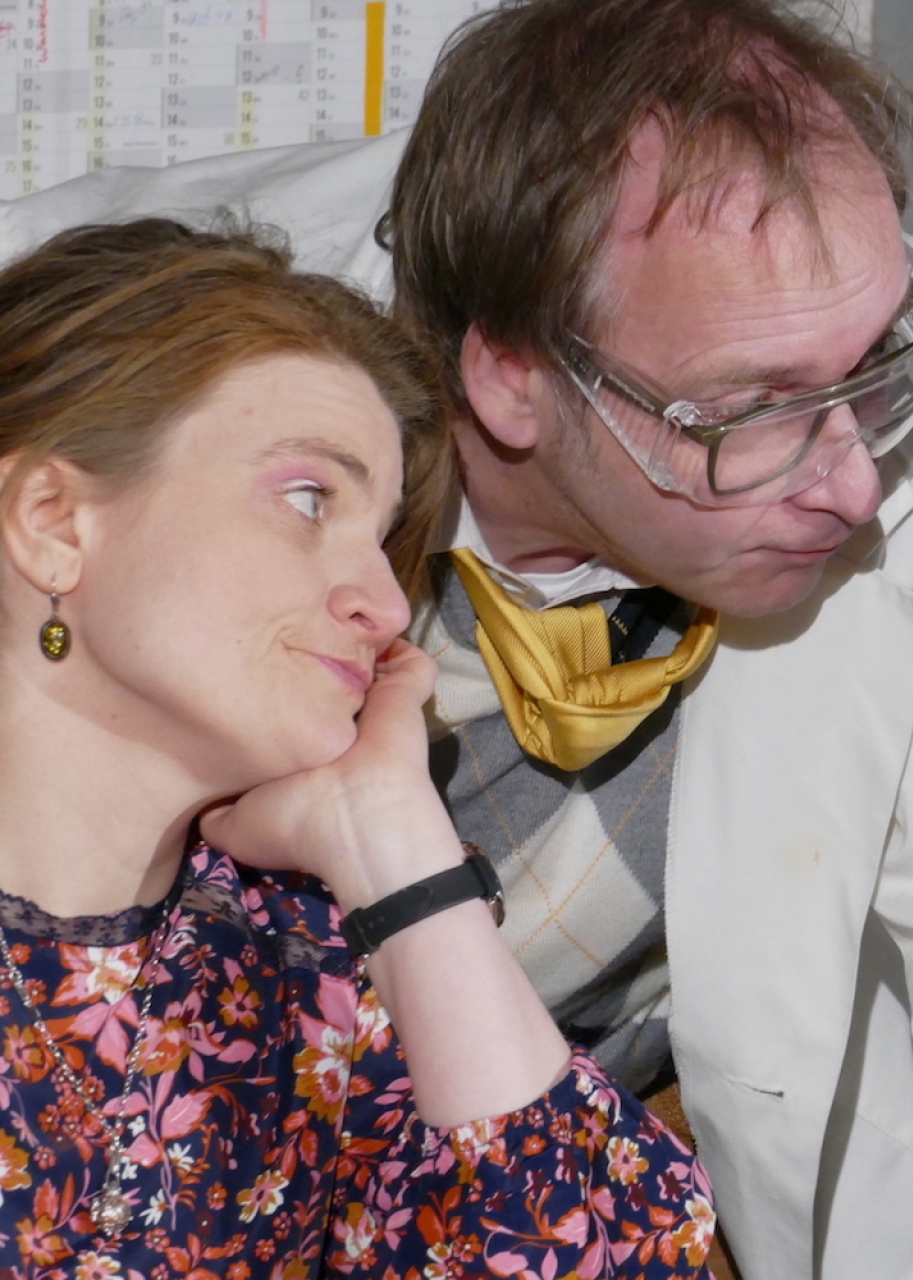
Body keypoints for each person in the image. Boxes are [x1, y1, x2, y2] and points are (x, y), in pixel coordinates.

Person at [0, 2, 913, 1277]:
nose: (857, 482)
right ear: (511, 373)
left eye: (876, 363)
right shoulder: (158, 357)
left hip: (554, 1166)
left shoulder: (885, 393)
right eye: (750, 411)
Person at [0, 220, 715, 1272]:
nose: (383, 602)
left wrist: (400, 856)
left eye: (383, 540)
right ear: (54, 521)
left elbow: (617, 1257)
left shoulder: (303, 966)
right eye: (307, 499)